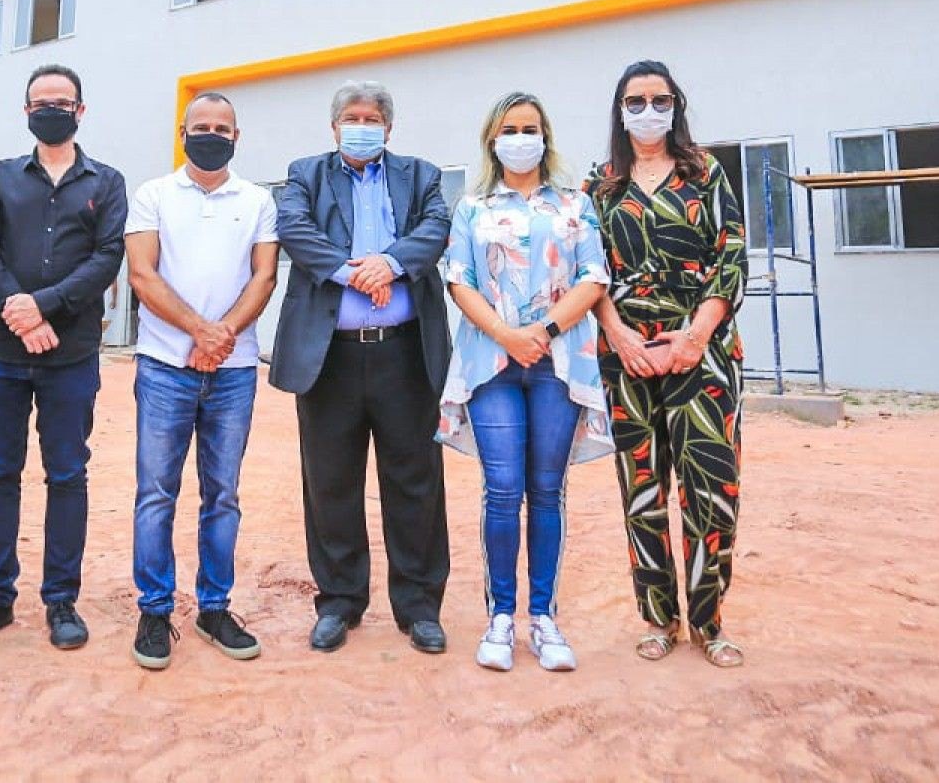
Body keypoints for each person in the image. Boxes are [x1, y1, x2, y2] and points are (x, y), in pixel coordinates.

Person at [0, 64, 128, 651]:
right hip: (0, 352)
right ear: (26, 112)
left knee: (67, 474)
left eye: (62, 102)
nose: (51, 110)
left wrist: (42, 306)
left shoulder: (107, 182)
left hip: (71, 355)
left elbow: (107, 258)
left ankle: (61, 600)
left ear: (80, 110)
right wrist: (19, 312)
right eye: (40, 102)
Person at [271, 80, 453, 655]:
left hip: (405, 354)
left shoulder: (421, 175)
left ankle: (419, 606)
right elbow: (294, 229)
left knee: (415, 483)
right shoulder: (305, 174)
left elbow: (436, 228)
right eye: (352, 117)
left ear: (389, 128)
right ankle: (339, 602)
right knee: (331, 483)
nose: (362, 126)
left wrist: (390, 264)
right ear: (334, 127)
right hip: (330, 357)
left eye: (372, 118)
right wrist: (354, 273)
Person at [440, 91, 610, 673]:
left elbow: (593, 276)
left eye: (530, 129)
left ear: (545, 137)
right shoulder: (472, 207)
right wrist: (507, 336)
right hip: (492, 364)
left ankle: (543, 617)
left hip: (558, 364)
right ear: (493, 140)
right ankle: (500, 617)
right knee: (503, 489)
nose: (520, 138)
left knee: (546, 489)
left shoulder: (574, 204)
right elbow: (459, 280)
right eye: (509, 130)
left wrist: (544, 329)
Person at [585, 60, 747, 668]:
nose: (648, 110)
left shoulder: (705, 172)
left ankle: (709, 621)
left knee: (711, 487)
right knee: (642, 491)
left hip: (702, 351)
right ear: (619, 110)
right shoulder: (601, 185)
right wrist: (620, 335)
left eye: (660, 100)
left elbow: (732, 254)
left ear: (676, 105)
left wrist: (695, 336)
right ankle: (658, 618)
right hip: (626, 353)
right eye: (636, 101)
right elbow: (587, 270)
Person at [122, 92, 279, 670]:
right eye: (201, 126)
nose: (211, 135)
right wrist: (198, 330)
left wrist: (222, 336)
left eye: (222, 128)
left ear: (237, 137)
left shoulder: (258, 199)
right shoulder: (153, 195)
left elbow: (265, 276)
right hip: (165, 366)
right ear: (183, 133)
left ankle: (214, 607)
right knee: (156, 493)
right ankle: (154, 609)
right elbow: (142, 274)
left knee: (223, 495)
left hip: (233, 372)